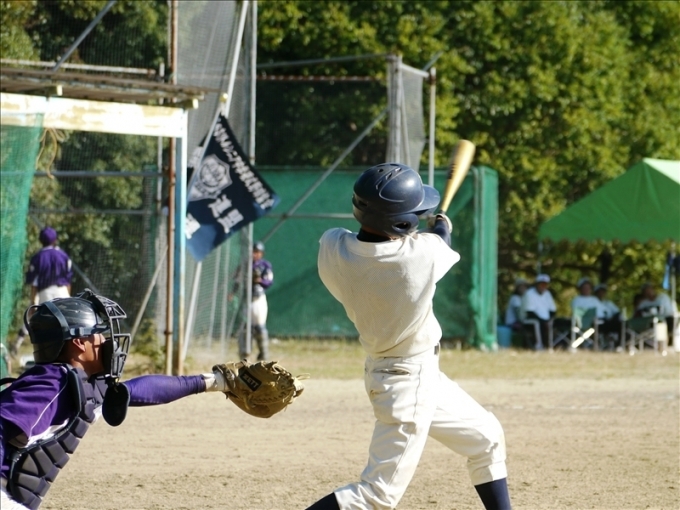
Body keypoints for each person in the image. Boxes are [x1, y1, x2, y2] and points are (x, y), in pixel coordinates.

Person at [307, 163, 511, 510]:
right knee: (377, 495)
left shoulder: (331, 246)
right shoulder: (419, 257)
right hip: (407, 381)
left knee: (487, 439)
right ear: (400, 224)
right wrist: (442, 224)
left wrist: (424, 227)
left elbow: (393, 240)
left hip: (406, 372)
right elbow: (440, 240)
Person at [0, 290, 238, 510]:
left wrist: (216, 382)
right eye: (98, 333)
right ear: (79, 343)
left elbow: (137, 391)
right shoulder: (51, 383)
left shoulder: (79, 384)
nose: (105, 342)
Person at [11, 227, 73, 357]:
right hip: (62, 291)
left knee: (32, 318)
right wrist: (68, 296)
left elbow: (34, 284)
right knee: (68, 322)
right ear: (55, 240)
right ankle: (70, 349)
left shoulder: (37, 257)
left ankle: (17, 344)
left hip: (45, 292)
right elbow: (68, 281)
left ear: (40, 240)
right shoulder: (63, 255)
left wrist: (33, 302)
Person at [238, 241, 274, 361]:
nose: (255, 254)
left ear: (261, 253)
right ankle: (245, 354)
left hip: (258, 298)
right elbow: (237, 279)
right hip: (247, 299)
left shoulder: (265, 265)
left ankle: (263, 354)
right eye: (254, 251)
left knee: (260, 327)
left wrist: (260, 280)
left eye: (258, 252)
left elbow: (269, 281)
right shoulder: (245, 265)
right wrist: (233, 292)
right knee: (246, 328)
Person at [636, 282, 678, 347]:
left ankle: (666, 344)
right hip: (650, 323)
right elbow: (637, 313)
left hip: (666, 320)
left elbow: (669, 312)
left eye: (648, 290)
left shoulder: (663, 297)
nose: (648, 292)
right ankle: (659, 345)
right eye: (645, 291)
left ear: (652, 289)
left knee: (662, 323)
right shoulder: (644, 303)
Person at [521, 274, 556, 350]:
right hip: (529, 319)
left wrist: (548, 320)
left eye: (545, 284)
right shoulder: (529, 293)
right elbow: (529, 312)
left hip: (545, 320)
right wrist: (543, 321)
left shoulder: (547, 294)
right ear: (537, 284)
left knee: (550, 323)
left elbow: (552, 310)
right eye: (541, 284)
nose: (543, 287)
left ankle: (549, 346)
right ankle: (539, 345)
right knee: (537, 323)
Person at [593, 284, 623, 348]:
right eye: (600, 291)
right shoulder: (593, 302)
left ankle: (619, 344)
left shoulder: (608, 303)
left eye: (603, 291)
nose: (601, 293)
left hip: (610, 322)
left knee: (621, 325)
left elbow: (617, 312)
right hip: (599, 323)